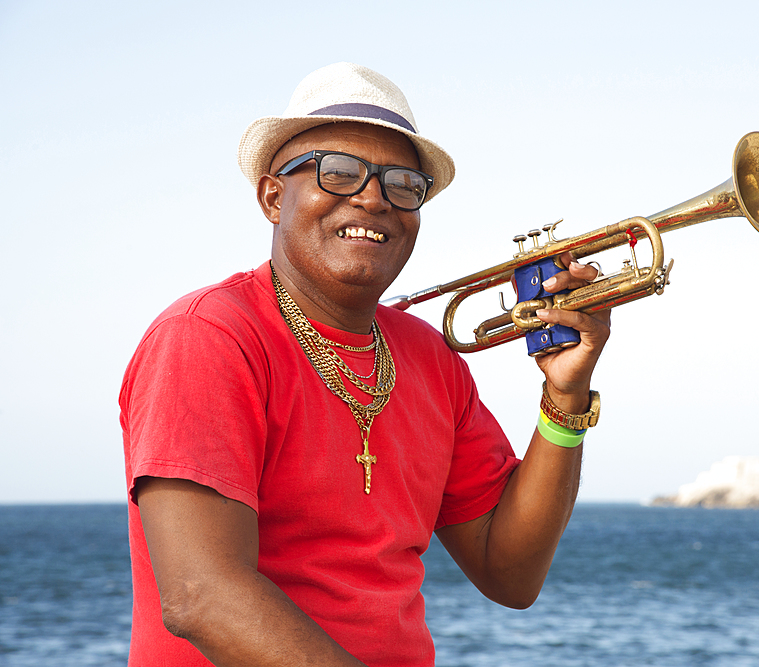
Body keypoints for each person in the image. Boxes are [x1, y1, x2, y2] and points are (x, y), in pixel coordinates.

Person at [120, 62, 610, 667]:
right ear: (273, 197)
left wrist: (566, 394)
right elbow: (202, 597)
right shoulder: (207, 337)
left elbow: (510, 575)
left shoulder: (431, 358)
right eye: (340, 172)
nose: (374, 197)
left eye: (403, 184)